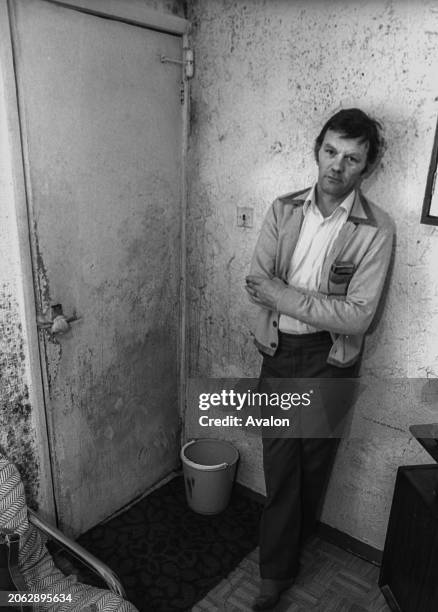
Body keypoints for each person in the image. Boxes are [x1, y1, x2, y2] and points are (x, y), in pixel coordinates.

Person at [245, 108, 394, 610]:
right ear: (317, 150)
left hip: (331, 360)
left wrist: (282, 293)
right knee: (281, 460)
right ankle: (275, 575)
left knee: (314, 463)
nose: (338, 165)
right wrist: (295, 300)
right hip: (280, 352)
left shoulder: (375, 228)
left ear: (366, 167)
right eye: (331, 151)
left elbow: (358, 318)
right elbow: (254, 280)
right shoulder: (282, 209)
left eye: (353, 158)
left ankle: (293, 538)